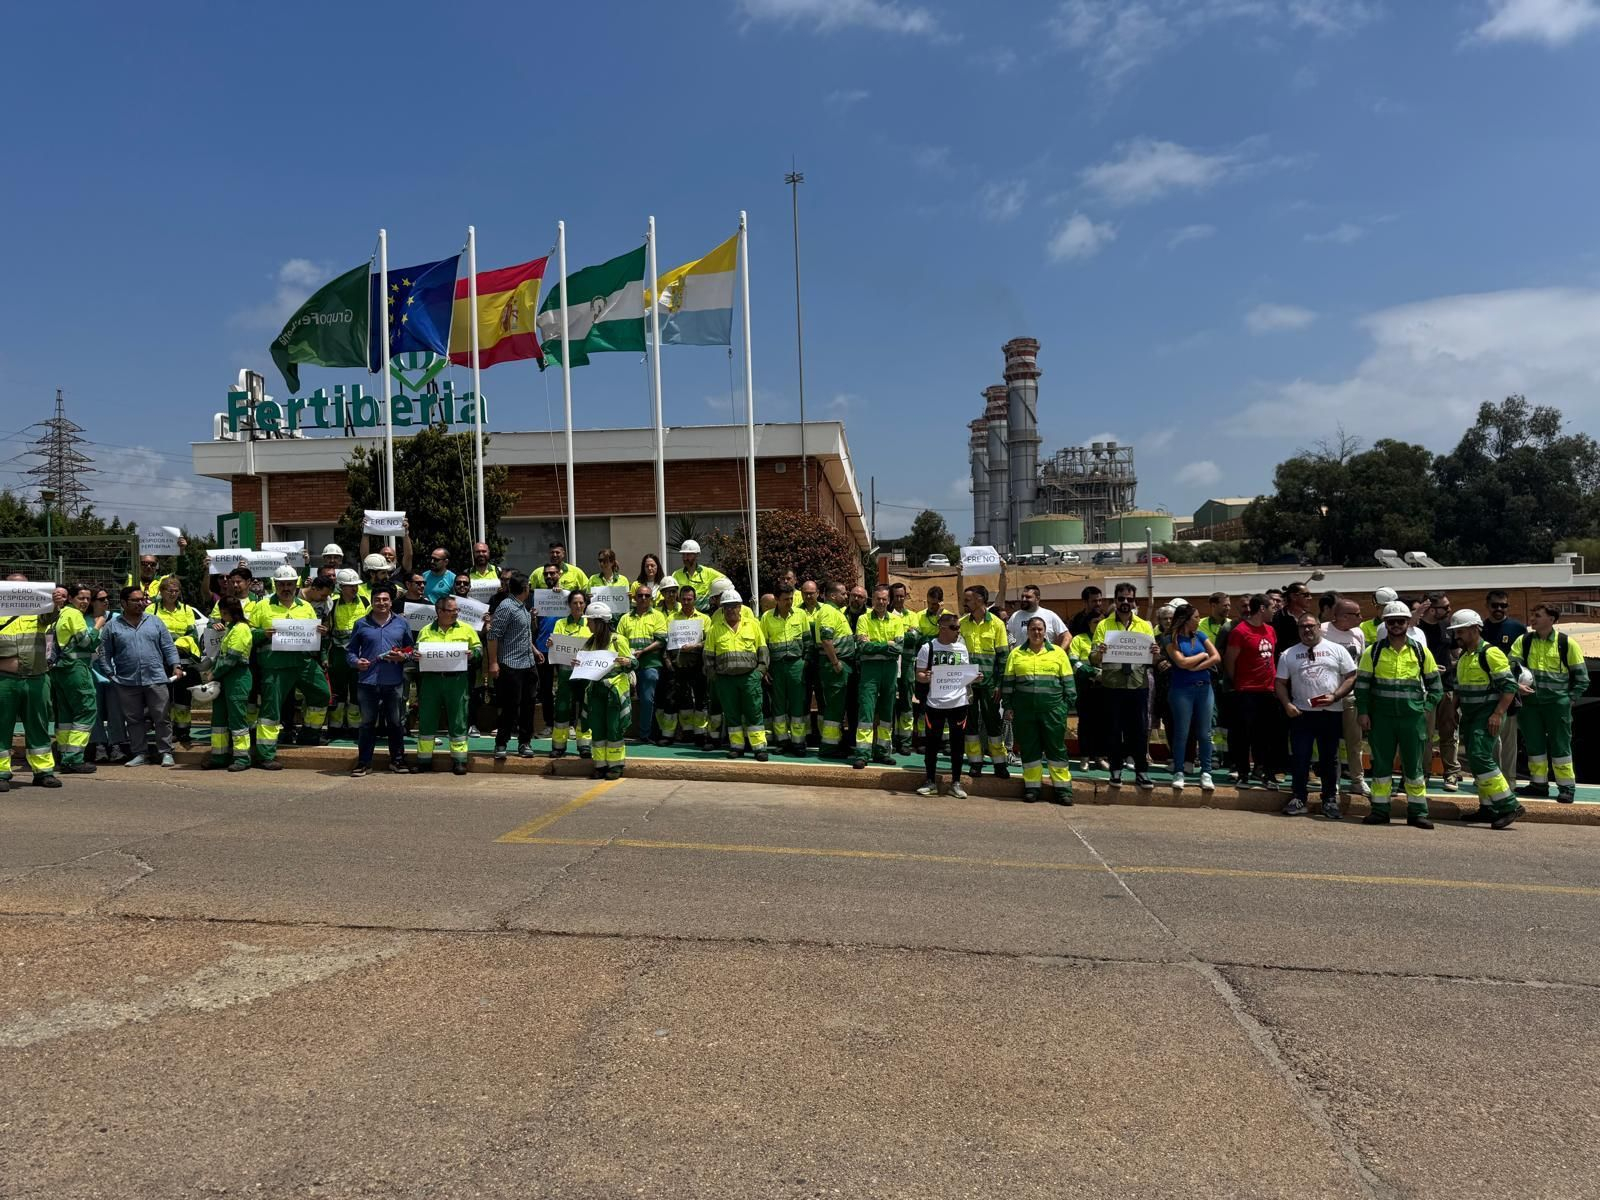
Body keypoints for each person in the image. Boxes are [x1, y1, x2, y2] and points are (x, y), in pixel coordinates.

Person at [1355, 600, 1443, 829]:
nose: (1396, 625)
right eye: (1391, 621)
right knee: (1381, 766)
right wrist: (1363, 712)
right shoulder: (1372, 652)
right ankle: (1380, 810)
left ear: (1407, 623)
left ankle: (1418, 813)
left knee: (1413, 767)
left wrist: (1425, 708)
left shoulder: (1421, 651)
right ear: (1385, 623)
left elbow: (1435, 686)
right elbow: (1362, 686)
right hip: (1381, 718)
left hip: (1412, 718)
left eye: (1400, 621)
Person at [1275, 613, 1357, 819]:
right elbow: (1280, 683)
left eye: (1311, 626)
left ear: (1319, 627)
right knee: (1300, 757)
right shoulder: (1288, 654)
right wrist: (1287, 705)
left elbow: (1351, 676)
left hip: (1330, 712)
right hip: (1301, 713)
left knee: (1329, 759)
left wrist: (1336, 695)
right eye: (1302, 627)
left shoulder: (1336, 650)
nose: (1307, 630)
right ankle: (1299, 797)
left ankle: (1329, 799)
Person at [249, 565, 330, 769]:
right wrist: (262, 634)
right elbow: (247, 633)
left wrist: (322, 633)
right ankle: (265, 754)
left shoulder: (305, 607)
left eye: (290, 584)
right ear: (275, 584)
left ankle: (309, 734)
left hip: (302, 662)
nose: (286, 587)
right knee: (271, 709)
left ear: (297, 585)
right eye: (282, 584)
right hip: (275, 665)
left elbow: (315, 634)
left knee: (322, 693)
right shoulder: (262, 606)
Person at [1448, 609, 1520, 829]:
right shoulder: (1464, 656)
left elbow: (1509, 686)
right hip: (1469, 715)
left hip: (1487, 714)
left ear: (1473, 629)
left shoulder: (1490, 653)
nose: (1456, 635)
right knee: (1475, 758)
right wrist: (1454, 709)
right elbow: (1460, 688)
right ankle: (1487, 808)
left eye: (1460, 630)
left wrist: (1497, 714)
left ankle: (1509, 805)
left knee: (1480, 756)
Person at [1515, 602, 1588, 804]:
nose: (1533, 619)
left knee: (1560, 745)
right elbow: (1510, 668)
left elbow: (1582, 677)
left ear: (1552, 619)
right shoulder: (1524, 641)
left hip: (1557, 704)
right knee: (1533, 745)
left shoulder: (1567, 643)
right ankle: (1538, 785)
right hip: (1530, 704)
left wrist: (1570, 699)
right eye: (1533, 614)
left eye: (1538, 615)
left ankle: (1566, 788)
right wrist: (1516, 686)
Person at [100, 584, 182, 768]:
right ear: (123, 603)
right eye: (135, 600)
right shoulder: (112, 626)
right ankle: (140, 753)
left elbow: (168, 646)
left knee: (161, 716)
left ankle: (166, 752)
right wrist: (110, 674)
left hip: (156, 678)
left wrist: (175, 665)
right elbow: (104, 653)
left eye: (142, 600)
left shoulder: (155, 622)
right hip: (126, 680)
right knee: (134, 719)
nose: (140, 603)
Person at [1089, 583, 1157, 789]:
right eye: (1121, 599)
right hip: (1113, 686)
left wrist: (1156, 652)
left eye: (1129, 599)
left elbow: (1153, 660)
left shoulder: (1144, 626)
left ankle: (1141, 772)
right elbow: (1093, 659)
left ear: (1135, 601)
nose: (1125, 603)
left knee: (1138, 730)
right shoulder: (1103, 626)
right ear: (1115, 601)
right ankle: (1115, 771)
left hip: (1138, 685)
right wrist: (1100, 652)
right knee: (1113, 730)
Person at [1003, 615, 1076, 804]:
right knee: (1029, 749)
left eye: (1040, 629)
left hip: (1053, 710)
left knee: (1056, 749)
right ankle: (1032, 787)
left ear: (1045, 632)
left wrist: (1064, 707)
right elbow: (1008, 683)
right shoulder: (1016, 654)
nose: (1036, 632)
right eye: (1033, 629)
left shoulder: (1058, 654)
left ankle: (1063, 791)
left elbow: (1069, 683)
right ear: (1027, 632)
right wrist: (1008, 706)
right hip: (1025, 711)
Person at [415, 595, 481, 775]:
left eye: (456, 610)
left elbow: (479, 651)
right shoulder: (426, 631)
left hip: (457, 681)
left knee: (458, 719)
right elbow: (417, 651)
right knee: (427, 719)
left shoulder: (467, 629)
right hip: (431, 681)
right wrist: (416, 655)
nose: (455, 613)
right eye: (452, 610)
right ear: (439, 611)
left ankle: (459, 760)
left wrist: (472, 654)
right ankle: (424, 760)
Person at [1222, 594, 1280, 790]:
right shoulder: (1240, 631)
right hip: (1246, 691)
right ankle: (1243, 774)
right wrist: (1237, 682)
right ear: (1262, 609)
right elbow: (1230, 661)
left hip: (1268, 690)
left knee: (1266, 736)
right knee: (1243, 735)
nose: (1275, 611)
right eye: (1272, 607)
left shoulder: (1271, 630)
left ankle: (1265, 773)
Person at [914, 612, 974, 798]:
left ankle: (956, 782)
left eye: (958, 628)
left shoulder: (962, 649)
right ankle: (930, 781)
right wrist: (927, 677)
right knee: (932, 744)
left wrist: (974, 677)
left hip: (959, 703)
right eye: (955, 628)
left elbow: (964, 675)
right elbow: (919, 675)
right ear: (942, 628)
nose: (958, 631)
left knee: (957, 745)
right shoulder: (927, 648)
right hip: (935, 703)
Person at [573, 601, 635, 778]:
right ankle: (600, 766)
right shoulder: (590, 643)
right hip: (595, 692)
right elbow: (584, 665)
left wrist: (627, 662)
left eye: (590, 621)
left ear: (599, 622)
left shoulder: (618, 640)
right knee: (597, 728)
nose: (587, 624)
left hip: (614, 694)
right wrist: (577, 664)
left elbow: (633, 663)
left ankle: (615, 766)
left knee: (613, 728)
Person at [704, 590, 769, 761]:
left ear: (740, 607)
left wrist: (759, 672)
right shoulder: (715, 629)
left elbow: (763, 651)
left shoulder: (753, 625)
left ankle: (759, 748)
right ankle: (736, 747)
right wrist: (715, 677)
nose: (731, 610)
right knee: (731, 714)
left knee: (754, 712)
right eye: (727, 607)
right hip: (725, 680)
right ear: (722, 609)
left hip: (749, 678)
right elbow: (708, 656)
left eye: (734, 606)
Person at [1163, 604, 1218, 793]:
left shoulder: (1201, 636)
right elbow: (1181, 662)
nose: (1198, 620)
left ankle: (1206, 771)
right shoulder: (1171, 639)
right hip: (1181, 690)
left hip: (1204, 689)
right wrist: (1202, 656)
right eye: (1196, 617)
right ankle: (1179, 771)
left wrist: (1197, 667)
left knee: (1205, 732)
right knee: (1182, 732)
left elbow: (1217, 657)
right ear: (1186, 619)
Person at [959, 585, 1011, 781]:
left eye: (968, 599)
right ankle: (975, 762)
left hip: (990, 685)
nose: (965, 602)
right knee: (970, 724)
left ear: (980, 600)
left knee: (993, 723)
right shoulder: (962, 623)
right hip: (968, 684)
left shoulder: (997, 624)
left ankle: (999, 763)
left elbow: (1003, 658)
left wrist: (999, 684)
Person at [1321, 598, 1370, 798]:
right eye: (1356, 614)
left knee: (1354, 741)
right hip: (1328, 696)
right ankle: (1333, 782)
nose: (1361, 617)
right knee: (1330, 742)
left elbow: (1361, 662)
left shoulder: (1358, 633)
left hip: (1351, 696)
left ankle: (1357, 781)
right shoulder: (1322, 630)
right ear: (1341, 616)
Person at [487, 571, 538, 761]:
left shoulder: (523, 607)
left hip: (528, 663)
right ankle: (501, 743)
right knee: (510, 706)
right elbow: (493, 636)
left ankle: (525, 742)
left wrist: (534, 651)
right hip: (510, 664)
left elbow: (522, 634)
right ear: (525, 588)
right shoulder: (506, 607)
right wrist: (493, 662)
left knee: (528, 705)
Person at [149, 576, 205, 747]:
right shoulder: (152, 609)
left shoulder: (187, 609)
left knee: (182, 698)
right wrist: (172, 641)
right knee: (164, 698)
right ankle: (168, 732)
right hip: (160, 660)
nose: (173, 594)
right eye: (169, 591)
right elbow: (150, 633)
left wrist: (174, 642)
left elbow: (191, 634)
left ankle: (184, 731)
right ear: (161, 592)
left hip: (183, 660)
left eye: (176, 591)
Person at [50, 585, 100, 775]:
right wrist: (97, 627)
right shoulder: (74, 615)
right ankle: (74, 759)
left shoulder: (59, 614)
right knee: (86, 710)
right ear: (70, 598)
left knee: (65, 716)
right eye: (81, 598)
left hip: (59, 670)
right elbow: (86, 643)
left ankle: (64, 756)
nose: (85, 602)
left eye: (88, 599)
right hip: (75, 669)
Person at [852, 585, 903, 769]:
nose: (881, 602)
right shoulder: (863, 619)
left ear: (888, 600)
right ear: (871, 600)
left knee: (887, 713)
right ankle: (863, 753)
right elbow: (862, 647)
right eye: (877, 599)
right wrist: (885, 645)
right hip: (870, 672)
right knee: (866, 712)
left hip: (889, 672)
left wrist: (875, 645)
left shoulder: (897, 621)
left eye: (884, 599)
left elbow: (898, 648)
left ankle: (883, 752)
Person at [1480, 590, 1527, 785]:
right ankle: (1492, 778)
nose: (1499, 609)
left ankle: (1509, 779)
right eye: (1495, 605)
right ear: (1487, 605)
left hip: (1510, 691)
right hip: (1484, 691)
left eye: (1503, 605)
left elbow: (1525, 659)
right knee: (1489, 738)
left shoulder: (1518, 628)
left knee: (1509, 740)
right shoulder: (1480, 628)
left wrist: (1523, 682)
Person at [203, 597, 255, 772]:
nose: (221, 616)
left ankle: (242, 757)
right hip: (225, 678)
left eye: (223, 613)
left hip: (237, 677)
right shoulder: (230, 628)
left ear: (230, 611)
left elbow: (232, 658)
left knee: (237, 718)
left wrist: (213, 674)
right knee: (219, 718)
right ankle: (219, 755)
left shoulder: (241, 629)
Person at [759, 584, 812, 756]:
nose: (789, 602)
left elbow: (808, 642)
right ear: (776, 600)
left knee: (798, 704)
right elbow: (763, 646)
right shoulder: (766, 618)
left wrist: (805, 663)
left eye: (791, 598)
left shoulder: (800, 614)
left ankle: (798, 742)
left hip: (797, 665)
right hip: (776, 667)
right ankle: (782, 741)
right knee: (778, 706)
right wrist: (765, 669)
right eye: (785, 599)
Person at [1419, 592, 1462, 791]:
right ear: (1430, 608)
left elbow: (1456, 653)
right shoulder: (1415, 629)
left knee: (1449, 732)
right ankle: (1423, 772)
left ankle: (1451, 773)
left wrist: (1455, 664)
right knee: (1424, 735)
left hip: (1446, 688)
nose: (1449, 610)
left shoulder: (1448, 628)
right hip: (1424, 690)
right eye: (1445, 607)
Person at [617, 584, 667, 746]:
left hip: (649, 663)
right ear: (634, 598)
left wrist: (643, 651)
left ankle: (645, 735)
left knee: (646, 699)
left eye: (647, 596)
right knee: (619, 698)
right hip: (628, 664)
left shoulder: (658, 616)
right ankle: (617, 732)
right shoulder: (625, 618)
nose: (643, 598)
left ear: (651, 598)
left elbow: (661, 640)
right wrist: (628, 656)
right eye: (640, 596)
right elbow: (618, 640)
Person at [813, 581, 857, 758]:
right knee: (834, 707)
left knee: (839, 707)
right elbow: (826, 639)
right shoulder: (828, 612)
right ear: (832, 596)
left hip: (840, 664)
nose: (846, 596)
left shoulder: (835, 611)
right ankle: (829, 748)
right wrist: (835, 663)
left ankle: (836, 742)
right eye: (844, 593)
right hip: (835, 666)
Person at [665, 585, 712, 745]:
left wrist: (695, 646)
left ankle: (700, 734)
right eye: (683, 599)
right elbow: (666, 643)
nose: (686, 602)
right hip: (677, 665)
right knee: (682, 699)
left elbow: (709, 641)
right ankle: (687, 732)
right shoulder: (671, 618)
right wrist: (668, 662)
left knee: (700, 699)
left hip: (698, 664)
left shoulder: (704, 619)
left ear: (695, 600)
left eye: (689, 599)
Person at [327, 569, 370, 741]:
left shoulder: (365, 601)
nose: (354, 589)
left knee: (356, 690)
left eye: (356, 586)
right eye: (350, 586)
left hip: (359, 653)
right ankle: (335, 726)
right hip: (338, 653)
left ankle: (354, 727)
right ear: (341, 587)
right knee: (338, 691)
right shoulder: (333, 603)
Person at [548, 589, 592, 758]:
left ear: (585, 605)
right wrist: (551, 643)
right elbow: (556, 645)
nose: (578, 606)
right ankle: (559, 745)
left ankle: (584, 746)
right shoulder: (560, 624)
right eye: (575, 603)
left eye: (581, 603)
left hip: (585, 674)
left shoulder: (590, 624)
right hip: (565, 673)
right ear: (569, 605)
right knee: (561, 708)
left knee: (584, 708)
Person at [889, 582, 918, 754]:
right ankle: (890, 741)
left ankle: (905, 742)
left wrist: (896, 637)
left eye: (902, 596)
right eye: (896, 596)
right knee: (890, 702)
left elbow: (914, 638)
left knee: (907, 703)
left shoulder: (912, 616)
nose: (899, 599)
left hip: (907, 664)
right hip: (891, 663)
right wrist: (904, 634)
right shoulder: (887, 615)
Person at [1006, 584, 1067, 649]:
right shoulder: (1015, 616)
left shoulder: (1049, 615)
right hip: (1022, 657)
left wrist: (1059, 654)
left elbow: (1067, 636)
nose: (1024, 599)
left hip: (1044, 657)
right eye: (1022, 596)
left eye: (1028, 597)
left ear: (1037, 598)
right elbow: (1007, 638)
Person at [672, 540, 724, 613]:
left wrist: (715, 598)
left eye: (688, 555)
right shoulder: (676, 575)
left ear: (696, 555)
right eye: (683, 555)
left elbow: (726, 585)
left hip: (705, 616)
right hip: (683, 616)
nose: (685, 558)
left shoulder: (708, 572)